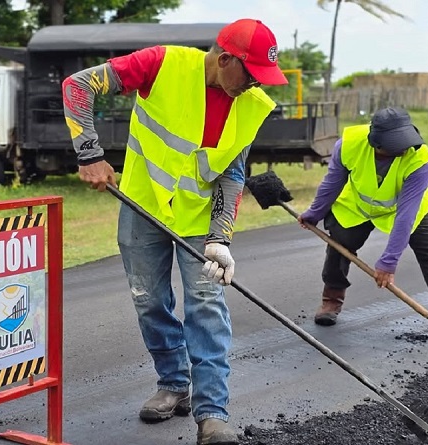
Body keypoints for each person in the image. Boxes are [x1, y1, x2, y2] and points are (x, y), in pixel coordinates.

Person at [61, 19, 288, 445]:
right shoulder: (161, 63)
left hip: (200, 218)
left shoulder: (251, 103)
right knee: (149, 302)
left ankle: (212, 414)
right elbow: (78, 86)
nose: (258, 84)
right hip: (143, 205)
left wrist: (220, 238)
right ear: (224, 60)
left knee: (205, 307)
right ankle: (173, 384)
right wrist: (88, 153)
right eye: (252, 73)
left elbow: (232, 175)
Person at [297, 107, 428, 344]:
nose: (405, 148)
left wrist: (389, 261)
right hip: (359, 206)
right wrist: (315, 212)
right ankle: (331, 301)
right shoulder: (348, 145)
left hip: (412, 209)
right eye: (396, 144)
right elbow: (333, 183)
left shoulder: (420, 158)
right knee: (338, 244)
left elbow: (406, 214)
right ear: (376, 143)